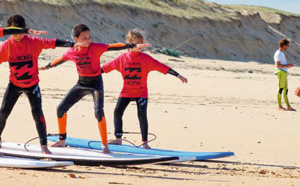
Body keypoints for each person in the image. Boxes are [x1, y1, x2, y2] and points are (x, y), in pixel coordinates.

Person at [39, 24, 150, 153]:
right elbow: (61, 59)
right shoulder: (72, 51)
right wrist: (47, 66)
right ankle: (62, 140)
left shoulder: (96, 47)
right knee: (60, 109)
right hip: (81, 84)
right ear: (76, 39)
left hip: (96, 84)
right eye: (84, 38)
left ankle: (104, 145)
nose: (88, 40)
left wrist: (130, 46)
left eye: (89, 37)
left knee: (98, 112)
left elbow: (111, 47)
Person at [0, 15, 78, 154]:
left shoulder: (33, 41)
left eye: (20, 32)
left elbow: (52, 42)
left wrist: (72, 44)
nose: (18, 36)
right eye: (14, 33)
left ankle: (44, 145)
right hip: (14, 84)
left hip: (32, 85)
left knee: (37, 114)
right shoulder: (5, 47)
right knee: (3, 113)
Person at [102, 29, 188, 149]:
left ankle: (145, 143)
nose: (140, 45)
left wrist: (178, 75)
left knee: (142, 115)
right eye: (137, 42)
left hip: (141, 92)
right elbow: (105, 68)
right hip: (126, 92)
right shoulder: (122, 58)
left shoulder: (146, 58)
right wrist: (90, 74)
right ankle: (118, 139)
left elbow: (162, 67)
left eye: (141, 42)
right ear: (129, 43)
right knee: (117, 112)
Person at [274, 38, 295, 111]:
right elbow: (278, 65)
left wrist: (287, 65)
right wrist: (287, 65)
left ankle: (288, 106)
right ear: (284, 45)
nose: (288, 47)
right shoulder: (279, 53)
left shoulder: (281, 53)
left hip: (284, 72)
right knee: (281, 89)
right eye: (288, 45)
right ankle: (279, 106)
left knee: (286, 90)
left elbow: (281, 64)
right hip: (281, 72)